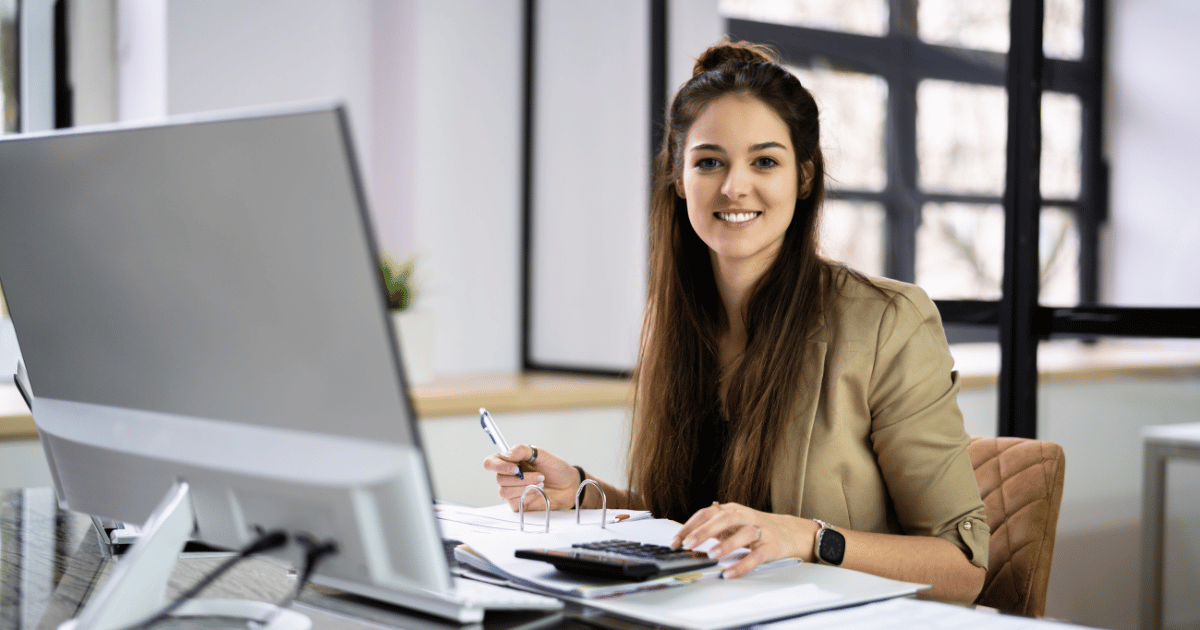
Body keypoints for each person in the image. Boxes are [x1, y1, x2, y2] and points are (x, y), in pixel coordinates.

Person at [483, 40, 988, 603]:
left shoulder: (888, 322)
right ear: (679, 178)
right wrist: (582, 491)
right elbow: (684, 524)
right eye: (709, 162)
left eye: (764, 161)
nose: (733, 187)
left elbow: (962, 569)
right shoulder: (672, 321)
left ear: (803, 176)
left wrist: (808, 537)